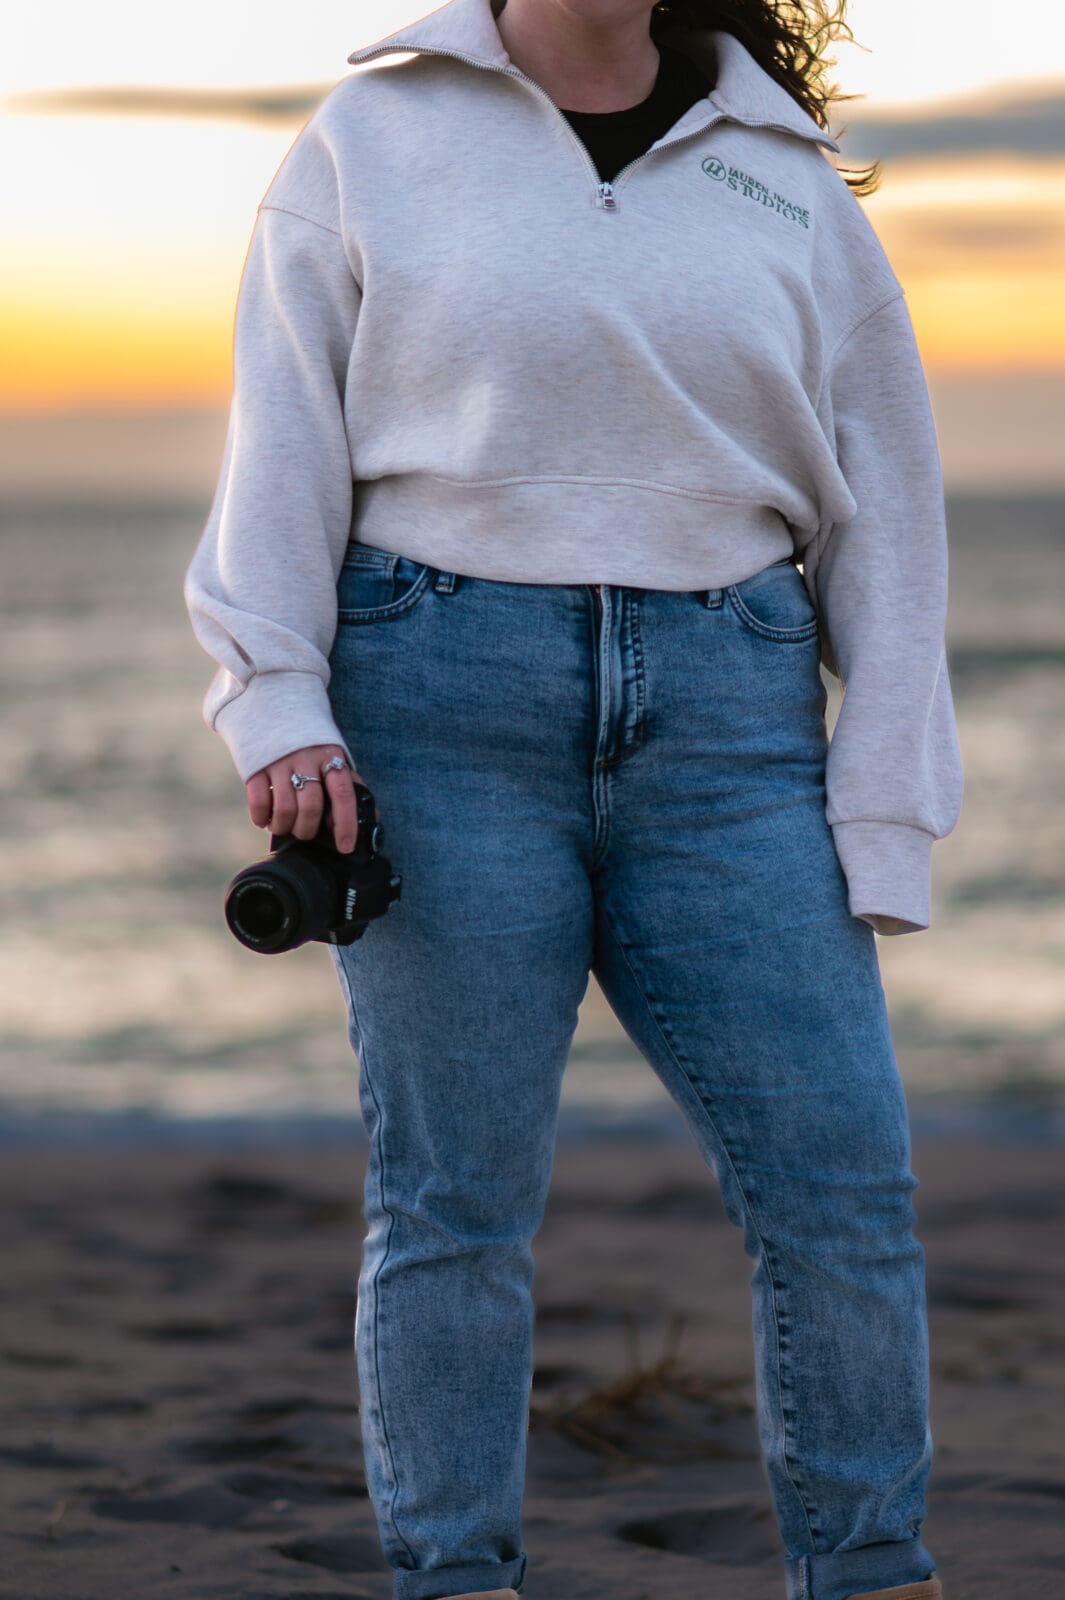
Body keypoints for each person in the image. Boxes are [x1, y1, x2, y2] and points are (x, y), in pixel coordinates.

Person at [183, 0, 964, 1596]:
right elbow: (283, 450)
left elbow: (887, 510)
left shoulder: (785, 176)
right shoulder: (371, 140)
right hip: (435, 706)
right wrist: (278, 704)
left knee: (844, 1187)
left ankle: (874, 1573)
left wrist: (884, 802)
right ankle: (454, 1580)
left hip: (731, 727)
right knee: (453, 1207)